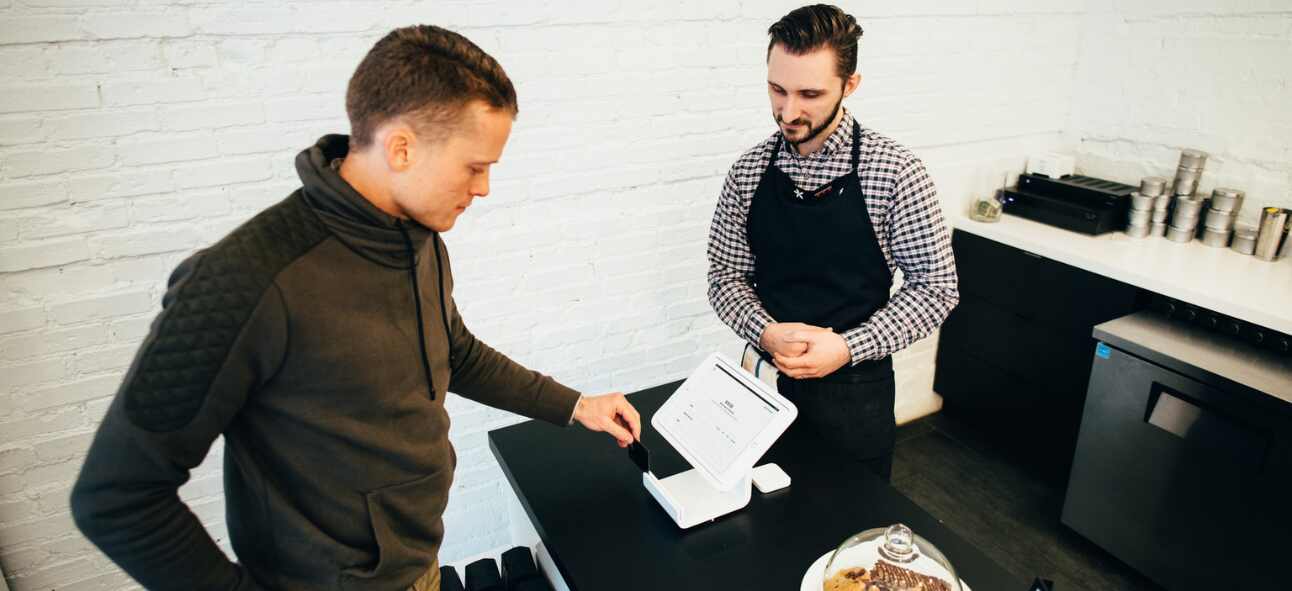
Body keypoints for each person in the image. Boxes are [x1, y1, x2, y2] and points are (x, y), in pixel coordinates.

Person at [71, 25, 641, 591]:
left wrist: (575, 406)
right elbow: (116, 496)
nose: (486, 187)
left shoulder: (419, 238)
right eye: (474, 166)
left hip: (418, 566)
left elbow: (455, 352)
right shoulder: (243, 281)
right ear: (401, 148)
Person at [706, 4, 959, 481]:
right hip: (762, 389)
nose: (788, 111)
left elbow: (936, 289)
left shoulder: (895, 172)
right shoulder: (749, 171)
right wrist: (764, 331)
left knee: (845, 536)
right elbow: (725, 276)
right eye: (777, 89)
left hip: (854, 399)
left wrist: (846, 346)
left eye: (810, 93)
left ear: (850, 85)